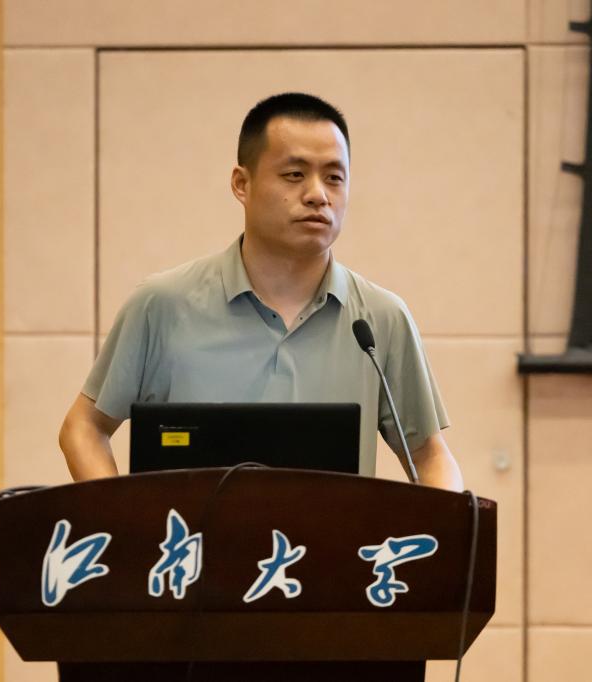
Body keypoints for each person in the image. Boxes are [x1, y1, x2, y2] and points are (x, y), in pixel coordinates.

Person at [59, 92, 463, 491]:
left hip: (329, 537)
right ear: (242, 184)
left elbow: (430, 457)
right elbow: (83, 429)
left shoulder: (379, 319)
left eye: (334, 178)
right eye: (295, 175)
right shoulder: (162, 304)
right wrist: (127, 519)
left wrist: (448, 522)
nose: (318, 195)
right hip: (190, 535)